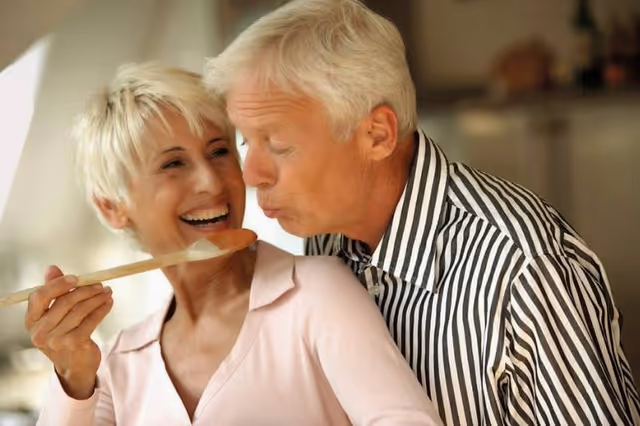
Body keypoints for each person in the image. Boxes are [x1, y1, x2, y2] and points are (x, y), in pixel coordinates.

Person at [205, 0, 640, 424]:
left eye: (278, 145)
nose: (251, 174)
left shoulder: (525, 267)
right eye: (247, 142)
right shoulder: (326, 242)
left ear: (377, 135)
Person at [26, 63, 442, 426]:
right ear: (113, 205)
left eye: (220, 151)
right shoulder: (118, 363)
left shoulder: (316, 293)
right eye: (173, 163)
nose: (211, 182)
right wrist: (74, 379)